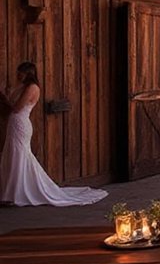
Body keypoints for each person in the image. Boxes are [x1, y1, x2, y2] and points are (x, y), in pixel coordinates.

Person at [0, 61, 107, 206]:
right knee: (13, 154)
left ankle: (19, 193)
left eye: (21, 72)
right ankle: (10, 192)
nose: (18, 75)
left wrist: (5, 100)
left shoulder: (32, 88)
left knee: (19, 154)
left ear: (28, 73)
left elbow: (17, 108)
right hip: (14, 124)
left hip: (20, 123)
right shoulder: (22, 87)